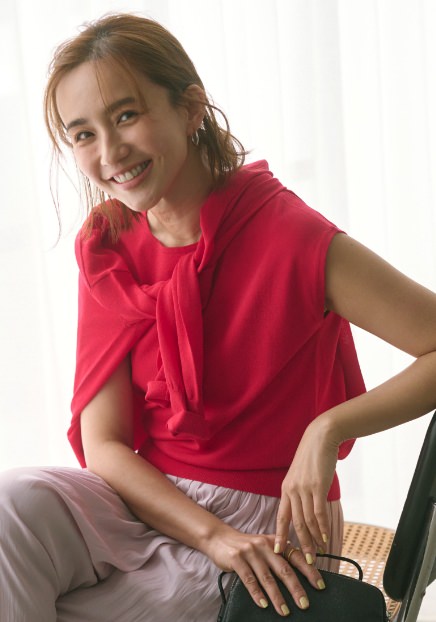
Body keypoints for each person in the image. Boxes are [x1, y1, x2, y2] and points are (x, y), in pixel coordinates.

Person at [1, 12, 436, 622]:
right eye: (83, 134)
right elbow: (105, 444)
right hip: (144, 498)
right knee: (11, 506)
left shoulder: (288, 235)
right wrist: (211, 537)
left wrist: (327, 428)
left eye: (125, 116)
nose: (109, 152)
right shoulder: (107, 247)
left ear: (190, 109)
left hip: (267, 520)